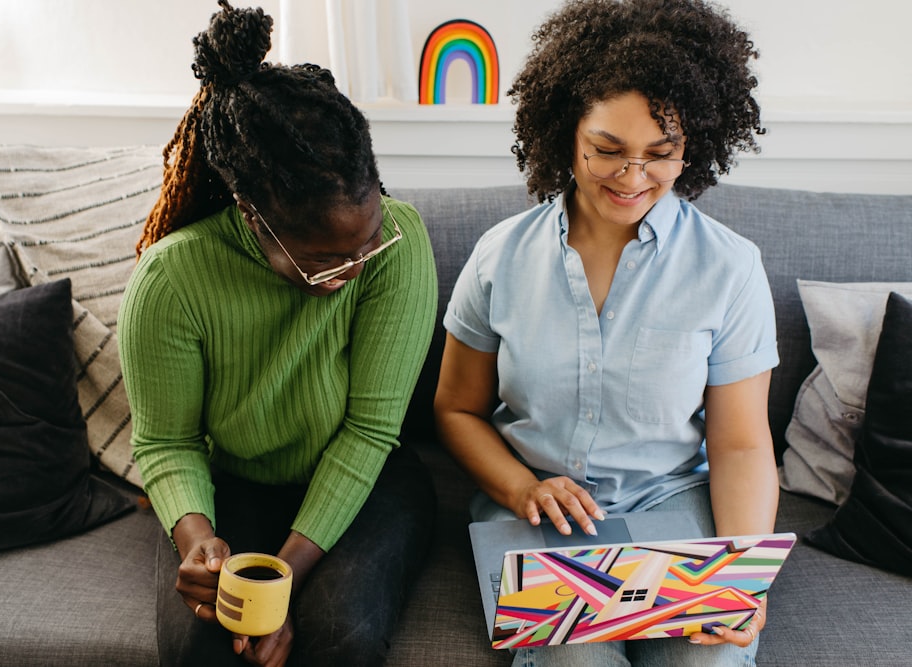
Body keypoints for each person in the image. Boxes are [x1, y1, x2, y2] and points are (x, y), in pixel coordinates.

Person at [433, 0, 779, 665]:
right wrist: (520, 486)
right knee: (574, 660)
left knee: (706, 657)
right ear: (566, 132)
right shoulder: (499, 256)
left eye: (661, 154)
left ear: (692, 147)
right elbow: (455, 408)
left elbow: (738, 444)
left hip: (671, 504)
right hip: (535, 509)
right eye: (607, 150)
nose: (632, 178)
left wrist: (744, 577)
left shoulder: (730, 268)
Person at [117, 3, 438, 666]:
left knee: (338, 633)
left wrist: (282, 576)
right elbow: (167, 440)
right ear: (250, 214)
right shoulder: (171, 279)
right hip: (234, 481)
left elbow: (370, 431)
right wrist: (197, 536)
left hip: (369, 475)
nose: (350, 271)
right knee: (200, 645)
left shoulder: (401, 246)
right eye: (320, 259)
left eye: (365, 245)